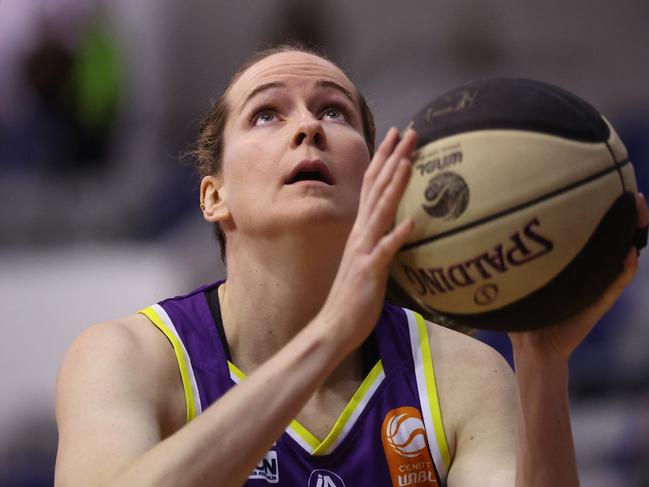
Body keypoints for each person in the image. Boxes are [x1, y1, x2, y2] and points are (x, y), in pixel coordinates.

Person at [54, 44, 648, 487]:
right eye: (267, 114)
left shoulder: (461, 372)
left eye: (335, 113)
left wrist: (541, 365)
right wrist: (331, 331)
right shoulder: (127, 355)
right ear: (214, 196)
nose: (309, 126)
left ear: (374, 180)